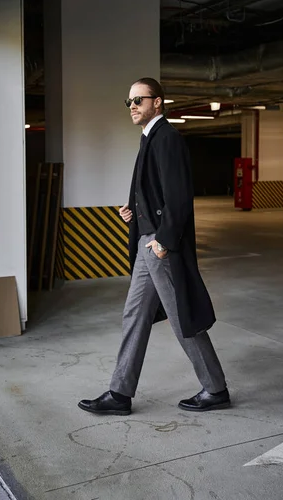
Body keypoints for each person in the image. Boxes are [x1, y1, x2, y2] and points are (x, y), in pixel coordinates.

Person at [78, 77, 229, 416]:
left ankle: (215, 388)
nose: (132, 106)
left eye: (138, 100)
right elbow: (155, 194)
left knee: (181, 318)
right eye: (129, 101)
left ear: (157, 102)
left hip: (160, 247)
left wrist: (163, 240)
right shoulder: (150, 139)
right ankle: (119, 393)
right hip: (149, 242)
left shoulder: (167, 139)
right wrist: (136, 213)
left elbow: (178, 197)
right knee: (134, 314)